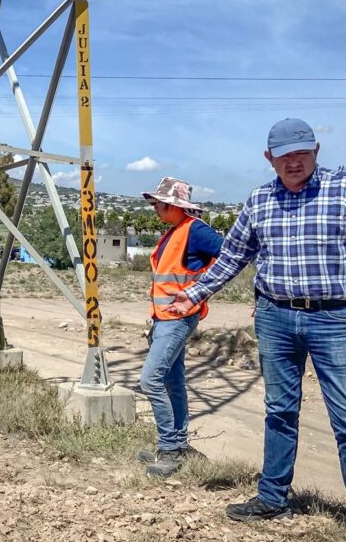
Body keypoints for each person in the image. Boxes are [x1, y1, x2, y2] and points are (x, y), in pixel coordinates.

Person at [167, 118, 346, 542]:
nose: (295, 162)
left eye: (302, 153)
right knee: (279, 411)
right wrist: (195, 294)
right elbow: (233, 256)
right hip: (275, 317)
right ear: (269, 158)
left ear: (317, 151)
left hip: (334, 319)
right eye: (285, 155)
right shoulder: (259, 200)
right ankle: (272, 498)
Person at [134, 177, 223, 478]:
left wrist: (201, 290)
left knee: (151, 381)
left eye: (159, 202)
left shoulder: (195, 231)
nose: (155, 207)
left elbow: (228, 256)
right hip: (164, 318)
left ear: (175, 205)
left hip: (179, 318)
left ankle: (169, 449)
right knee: (172, 381)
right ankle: (178, 445)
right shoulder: (174, 233)